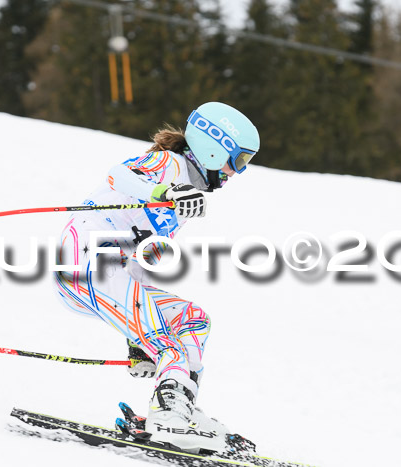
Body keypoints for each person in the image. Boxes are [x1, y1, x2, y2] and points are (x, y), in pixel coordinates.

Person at [54, 102, 260, 453]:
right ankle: (169, 417)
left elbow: (139, 264)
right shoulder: (170, 164)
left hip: (112, 270)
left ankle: (180, 409)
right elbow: (119, 175)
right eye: (237, 160)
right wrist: (163, 192)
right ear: (213, 149)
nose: (236, 172)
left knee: (192, 320)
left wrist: (136, 342)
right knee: (168, 342)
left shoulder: (185, 197)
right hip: (87, 259)